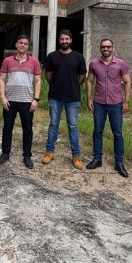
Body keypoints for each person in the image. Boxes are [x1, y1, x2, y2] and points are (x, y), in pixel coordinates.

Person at [42, 29, 87, 171]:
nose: (64, 41)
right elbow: (47, 74)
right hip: (55, 97)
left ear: (71, 40)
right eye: (62, 39)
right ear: (59, 40)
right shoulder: (52, 56)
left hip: (73, 97)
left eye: (67, 39)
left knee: (73, 126)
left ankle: (76, 157)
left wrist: (73, 86)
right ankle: (49, 153)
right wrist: (56, 85)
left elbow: (82, 76)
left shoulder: (78, 57)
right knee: (53, 125)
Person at [86, 37, 131, 178]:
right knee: (97, 131)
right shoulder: (94, 63)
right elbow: (89, 81)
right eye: (103, 46)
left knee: (117, 133)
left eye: (108, 46)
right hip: (99, 103)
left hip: (116, 103)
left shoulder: (121, 64)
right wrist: (89, 98)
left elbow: (127, 82)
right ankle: (97, 159)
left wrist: (126, 101)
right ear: (100, 48)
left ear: (112, 48)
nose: (106, 49)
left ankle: (119, 163)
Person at [0, 34, 42, 169]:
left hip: (27, 101)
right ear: (16, 44)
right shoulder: (7, 61)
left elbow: (38, 81)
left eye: (25, 43)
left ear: (28, 47)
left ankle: (27, 155)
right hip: (10, 100)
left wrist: (36, 99)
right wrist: (3, 97)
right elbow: (2, 79)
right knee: (7, 128)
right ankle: (5, 153)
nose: (22, 45)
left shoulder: (34, 62)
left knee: (27, 129)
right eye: (20, 43)